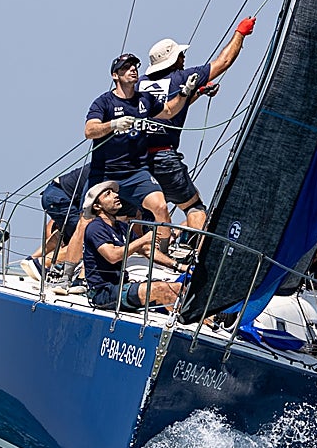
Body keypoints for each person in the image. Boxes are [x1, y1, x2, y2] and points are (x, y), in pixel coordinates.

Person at [137, 17, 256, 233]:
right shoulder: (181, 77)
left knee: (139, 211)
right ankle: (197, 258)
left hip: (135, 159)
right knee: (194, 207)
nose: (184, 58)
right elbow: (224, 62)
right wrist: (240, 33)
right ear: (173, 60)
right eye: (181, 55)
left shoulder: (139, 84)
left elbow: (168, 107)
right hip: (163, 158)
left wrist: (197, 92)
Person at [84, 52, 197, 254]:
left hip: (136, 172)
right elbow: (89, 131)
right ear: (115, 75)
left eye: (134, 66)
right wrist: (113, 124)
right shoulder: (104, 102)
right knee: (87, 222)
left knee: (161, 208)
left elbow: (169, 111)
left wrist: (185, 92)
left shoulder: (144, 99)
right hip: (106, 173)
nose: (132, 69)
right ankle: (67, 272)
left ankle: (160, 255)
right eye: (126, 68)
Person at [81, 180, 183, 312]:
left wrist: (178, 266)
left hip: (121, 286)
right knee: (161, 289)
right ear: (97, 206)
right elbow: (112, 256)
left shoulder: (122, 227)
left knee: (179, 288)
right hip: (103, 293)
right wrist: (144, 239)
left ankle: (207, 322)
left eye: (114, 192)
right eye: (108, 194)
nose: (115, 195)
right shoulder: (95, 227)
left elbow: (147, 250)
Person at [28, 163, 90, 278]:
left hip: (52, 194)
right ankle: (42, 263)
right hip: (62, 198)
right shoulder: (110, 172)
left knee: (66, 235)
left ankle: (33, 259)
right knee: (86, 240)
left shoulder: (102, 165)